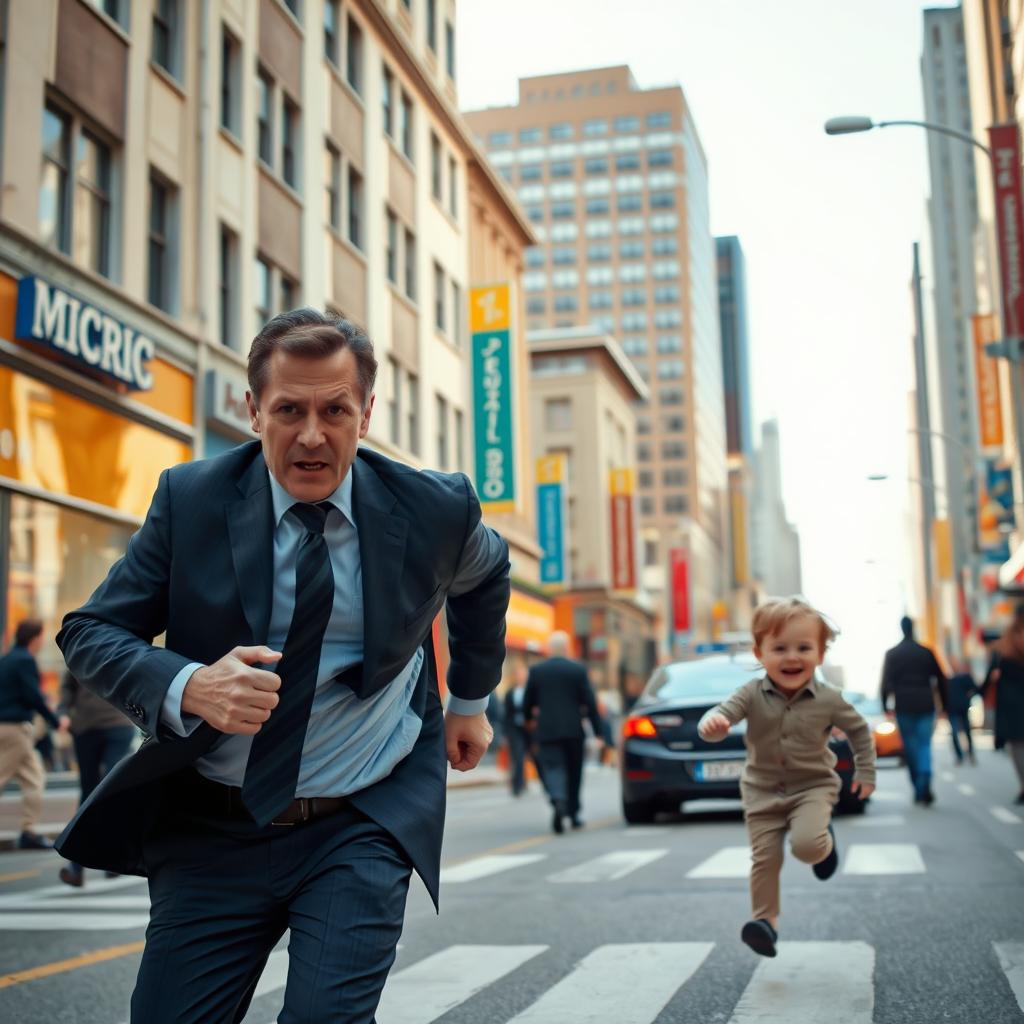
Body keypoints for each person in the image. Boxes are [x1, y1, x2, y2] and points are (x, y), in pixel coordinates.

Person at [55, 309, 511, 1024]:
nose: (310, 435)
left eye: (334, 411)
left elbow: (486, 575)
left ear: (366, 411)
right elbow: (90, 630)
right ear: (252, 410)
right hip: (212, 825)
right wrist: (188, 685)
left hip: (360, 816)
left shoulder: (434, 509)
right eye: (288, 410)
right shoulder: (191, 500)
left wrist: (471, 700)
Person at [698, 597, 875, 959]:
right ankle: (766, 924)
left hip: (812, 787)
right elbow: (721, 716)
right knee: (765, 860)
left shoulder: (829, 699)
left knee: (806, 846)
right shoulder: (750, 693)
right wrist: (711, 725)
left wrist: (865, 770)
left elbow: (859, 731)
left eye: (803, 648)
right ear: (760, 654)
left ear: (821, 655)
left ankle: (823, 842)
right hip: (761, 792)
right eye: (779, 648)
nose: (791, 657)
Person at [58, 671, 136, 887]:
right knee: (88, 793)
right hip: (84, 728)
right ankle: (77, 867)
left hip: (118, 725)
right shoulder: (81, 641)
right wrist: (63, 711)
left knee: (109, 790)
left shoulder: (125, 641)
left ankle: (111, 858)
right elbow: (67, 686)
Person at [522, 631, 604, 833]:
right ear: (567, 649)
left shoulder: (537, 671)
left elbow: (527, 701)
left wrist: (529, 721)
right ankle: (574, 814)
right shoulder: (577, 670)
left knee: (553, 768)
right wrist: (599, 731)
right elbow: (590, 702)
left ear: (550, 650)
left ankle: (558, 799)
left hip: (547, 730)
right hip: (574, 730)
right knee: (574, 772)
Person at [0, 619, 68, 849]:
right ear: (34, 638)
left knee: (34, 778)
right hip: (14, 729)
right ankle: (28, 832)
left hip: (10, 728)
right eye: (41, 636)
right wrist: (55, 720)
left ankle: (28, 832)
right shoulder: (24, 660)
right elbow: (33, 696)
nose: (42, 641)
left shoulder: (8, 658)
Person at [880, 615, 948, 805]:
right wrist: (944, 706)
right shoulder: (925, 652)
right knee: (925, 745)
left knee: (910, 748)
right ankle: (924, 778)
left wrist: (885, 705)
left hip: (904, 705)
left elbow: (885, 682)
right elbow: (941, 679)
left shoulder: (893, 653)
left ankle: (918, 786)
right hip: (926, 704)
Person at [982, 605, 1024, 803]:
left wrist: (979, 691)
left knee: (1017, 747)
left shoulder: (1005, 644)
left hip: (1013, 704)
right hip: (1014, 701)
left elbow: (992, 675)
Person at [503, 657, 531, 796]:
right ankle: (517, 785)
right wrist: (506, 733)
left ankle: (527, 781)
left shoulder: (531, 691)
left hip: (529, 728)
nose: (521, 677)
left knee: (532, 756)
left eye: (523, 674)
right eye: (519, 674)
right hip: (515, 729)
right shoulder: (510, 693)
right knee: (518, 757)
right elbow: (506, 714)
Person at [947, 659, 980, 766]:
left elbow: (975, 689)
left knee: (967, 731)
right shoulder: (948, 679)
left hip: (963, 708)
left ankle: (970, 753)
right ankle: (959, 756)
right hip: (952, 710)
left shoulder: (965, 677)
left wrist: (968, 697)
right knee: (954, 733)